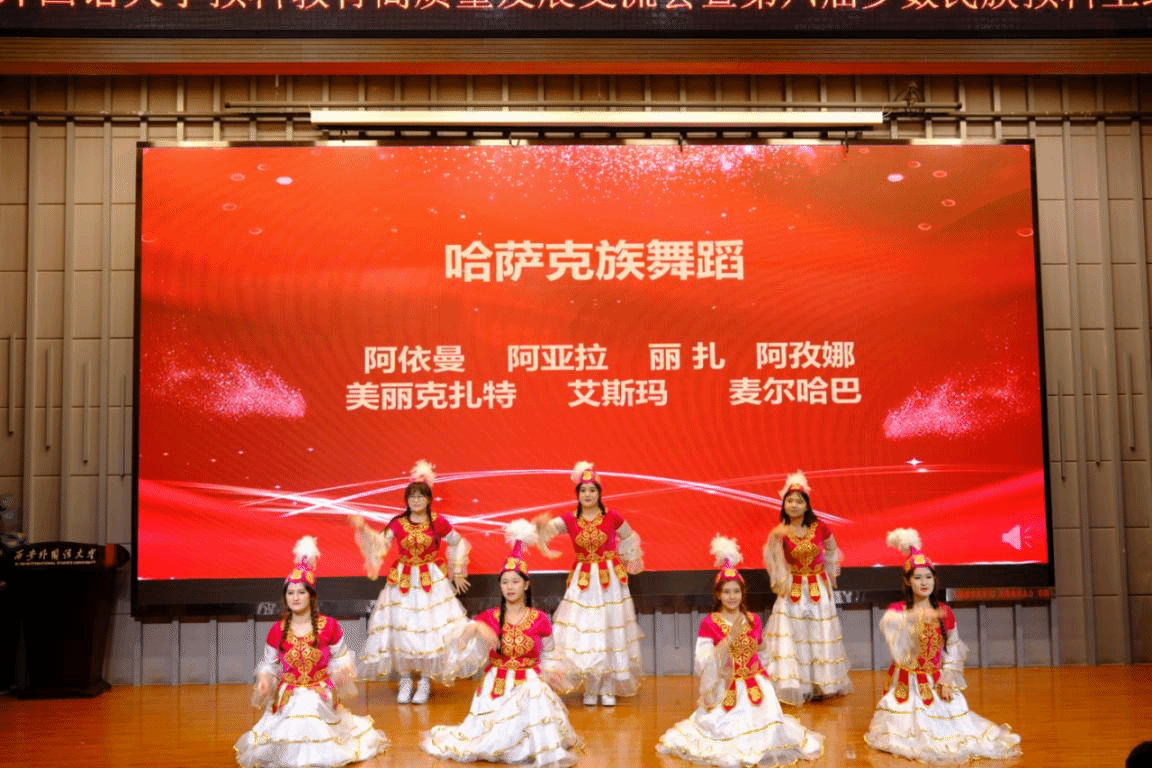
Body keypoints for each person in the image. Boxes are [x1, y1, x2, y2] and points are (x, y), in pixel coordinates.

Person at [421, 520, 582, 768]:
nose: (510, 587)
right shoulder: (490, 617)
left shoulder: (540, 619)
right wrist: (476, 627)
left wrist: (553, 673)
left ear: (526, 585)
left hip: (530, 684)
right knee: (493, 737)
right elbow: (458, 644)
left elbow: (550, 653)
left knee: (534, 692)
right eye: (505, 582)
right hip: (497, 687)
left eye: (515, 582)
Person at [656, 535, 825, 767]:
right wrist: (730, 638)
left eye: (736, 591)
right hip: (727, 688)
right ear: (718, 594)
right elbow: (703, 660)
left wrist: (764, 671)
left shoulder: (753, 619)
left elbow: (762, 652)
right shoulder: (709, 623)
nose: (732, 597)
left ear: (742, 593)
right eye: (726, 592)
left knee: (770, 729)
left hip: (756, 686)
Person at [864, 528, 1022, 762]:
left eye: (928, 577)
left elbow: (953, 648)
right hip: (908, 684)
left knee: (956, 729)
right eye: (917, 578)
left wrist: (948, 679)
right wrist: (912, 618)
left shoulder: (945, 612)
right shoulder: (898, 611)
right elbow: (894, 640)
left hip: (936, 680)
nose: (924, 582)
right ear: (907, 581)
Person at [235, 536, 387, 768]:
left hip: (319, 692)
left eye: (301, 592)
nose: (295, 598)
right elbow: (269, 664)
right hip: (289, 694)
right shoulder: (277, 630)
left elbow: (341, 657)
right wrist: (265, 680)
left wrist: (342, 672)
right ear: (285, 597)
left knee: (310, 708)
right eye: (290, 593)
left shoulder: (329, 626)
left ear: (311, 596)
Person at [349, 459, 471, 704]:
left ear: (428, 499)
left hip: (430, 580)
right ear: (407, 500)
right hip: (402, 581)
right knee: (401, 627)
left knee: (428, 628)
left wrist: (457, 571)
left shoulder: (438, 521)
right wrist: (364, 530)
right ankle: (405, 680)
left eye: (420, 496)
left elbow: (458, 542)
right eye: (412, 497)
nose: (416, 501)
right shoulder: (397, 523)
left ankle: (424, 681)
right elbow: (380, 544)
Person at [533, 460, 644, 706]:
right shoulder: (570, 519)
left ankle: (607, 687)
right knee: (587, 630)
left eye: (592, 490)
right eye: (583, 490)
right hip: (583, 581)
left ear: (599, 493)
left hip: (609, 581)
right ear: (578, 493)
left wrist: (629, 560)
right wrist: (539, 526)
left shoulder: (612, 516)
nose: (587, 494)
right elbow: (546, 530)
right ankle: (592, 686)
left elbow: (630, 536)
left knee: (609, 628)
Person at [761, 470, 853, 706]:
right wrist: (780, 579)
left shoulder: (820, 527)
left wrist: (831, 574)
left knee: (819, 632)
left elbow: (832, 549)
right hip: (793, 588)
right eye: (790, 501)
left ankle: (822, 684)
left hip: (817, 587)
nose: (794, 505)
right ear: (784, 504)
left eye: (799, 501)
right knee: (795, 634)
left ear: (807, 505)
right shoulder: (780, 531)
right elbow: (773, 560)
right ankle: (797, 685)